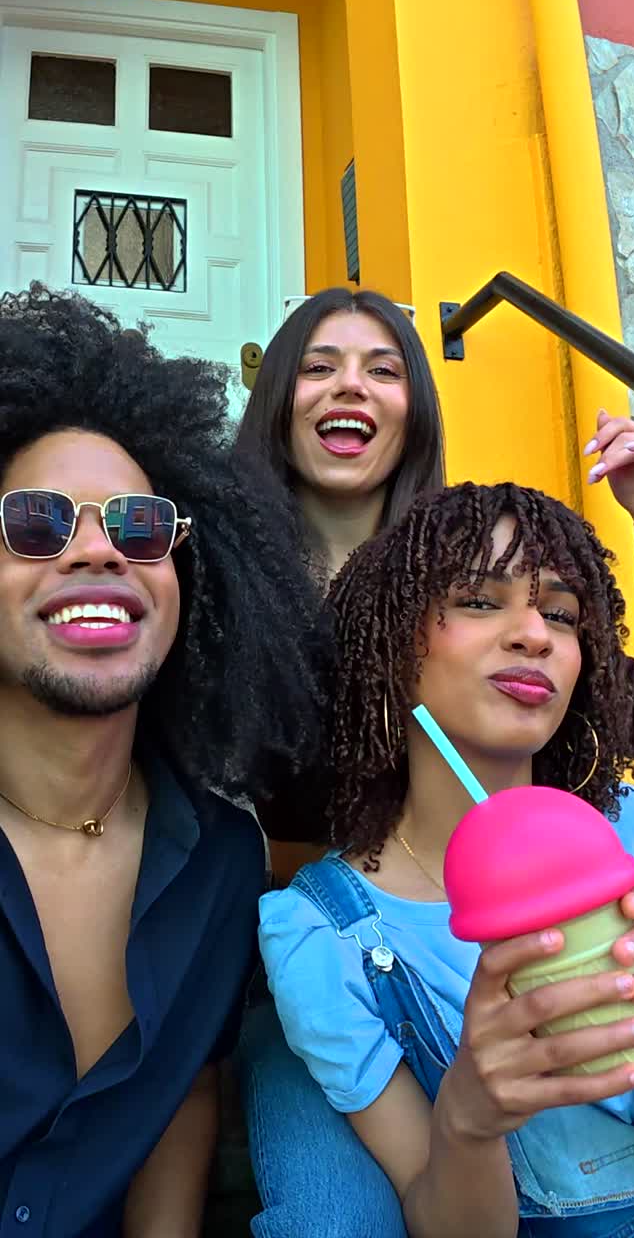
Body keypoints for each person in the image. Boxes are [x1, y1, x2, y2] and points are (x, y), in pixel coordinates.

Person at [235, 286, 634, 1237]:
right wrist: (467, 1117)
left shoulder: (464, 539)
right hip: (342, 944)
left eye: (383, 368)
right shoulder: (219, 574)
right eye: (322, 365)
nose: (532, 635)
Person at [0, 285, 329, 1237]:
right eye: (36, 524)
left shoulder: (222, 861)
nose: (96, 551)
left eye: (138, 526)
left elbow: (181, 1098)